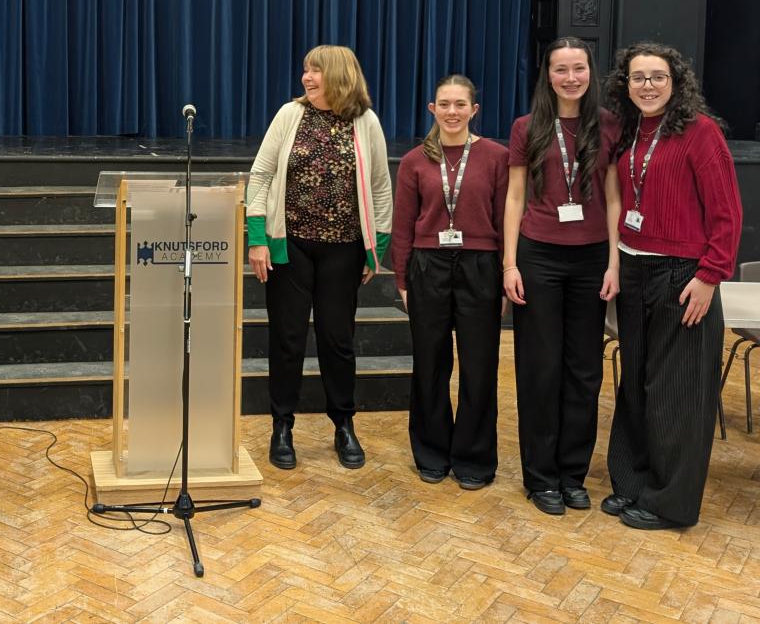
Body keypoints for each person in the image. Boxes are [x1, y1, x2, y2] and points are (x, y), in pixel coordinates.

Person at [601, 42, 742, 530]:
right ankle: (633, 483)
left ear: (676, 81)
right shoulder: (628, 132)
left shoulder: (700, 133)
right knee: (637, 383)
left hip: (685, 275)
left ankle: (671, 504)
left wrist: (709, 277)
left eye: (657, 76)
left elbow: (727, 214)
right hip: (637, 268)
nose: (647, 85)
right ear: (626, 85)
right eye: (637, 77)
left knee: (676, 393)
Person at [246, 45, 392, 470]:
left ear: (340, 76)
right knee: (287, 339)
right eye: (305, 71)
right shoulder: (289, 115)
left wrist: (375, 247)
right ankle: (282, 426)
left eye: (316, 72)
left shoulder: (366, 122)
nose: (306, 78)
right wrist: (258, 238)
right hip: (289, 246)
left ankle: (344, 425)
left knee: (338, 340)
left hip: (344, 250)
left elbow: (381, 187)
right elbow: (261, 174)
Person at [502, 37, 621, 516]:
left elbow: (614, 199)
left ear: (590, 72)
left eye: (579, 68)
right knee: (540, 368)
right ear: (547, 75)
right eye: (560, 69)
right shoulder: (527, 127)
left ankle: (573, 473)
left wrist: (615, 262)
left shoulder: (609, 124)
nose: (570, 77)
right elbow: (514, 198)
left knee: (584, 371)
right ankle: (540, 475)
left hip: (592, 259)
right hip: (539, 258)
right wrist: (509, 264)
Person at [391, 75, 509, 490]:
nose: (453, 111)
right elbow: (403, 225)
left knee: (479, 368)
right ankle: (431, 451)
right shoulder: (413, 161)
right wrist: (403, 279)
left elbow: (504, 220)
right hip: (429, 268)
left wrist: (504, 273)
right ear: (432, 109)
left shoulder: (497, 157)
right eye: (445, 104)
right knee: (430, 365)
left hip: (481, 267)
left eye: (461, 104)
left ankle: (474, 459)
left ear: (474, 110)